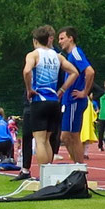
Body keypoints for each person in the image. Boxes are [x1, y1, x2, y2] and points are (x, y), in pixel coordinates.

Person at [21, 26, 77, 179]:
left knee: (39, 140)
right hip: (54, 101)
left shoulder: (33, 55)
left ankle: (43, 176)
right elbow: (74, 72)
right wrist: (62, 90)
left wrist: (29, 89)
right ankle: (49, 174)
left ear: (35, 41)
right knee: (47, 140)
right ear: (49, 39)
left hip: (39, 100)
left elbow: (27, 71)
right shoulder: (57, 56)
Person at [57, 26, 95, 163]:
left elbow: (90, 71)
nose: (60, 42)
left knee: (70, 135)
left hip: (74, 100)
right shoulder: (69, 56)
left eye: (62, 38)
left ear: (70, 38)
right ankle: (77, 165)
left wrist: (85, 92)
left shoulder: (76, 53)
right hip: (68, 99)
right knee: (67, 137)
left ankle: (79, 166)